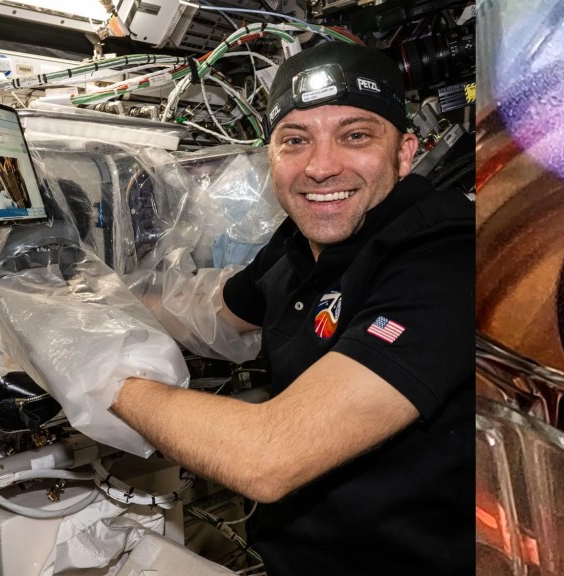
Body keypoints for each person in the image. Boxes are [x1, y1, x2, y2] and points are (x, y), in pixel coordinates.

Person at [110, 41, 474, 575]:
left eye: (355, 136)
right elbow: (209, 311)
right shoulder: (298, 244)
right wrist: (93, 306)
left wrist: (98, 376)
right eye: (295, 141)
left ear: (404, 152)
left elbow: (268, 456)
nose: (321, 168)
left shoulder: (447, 255)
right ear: (271, 159)